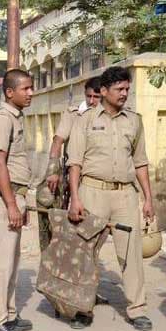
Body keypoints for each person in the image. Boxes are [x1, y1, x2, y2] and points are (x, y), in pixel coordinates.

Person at [67, 66, 155, 331]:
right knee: (86, 252)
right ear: (103, 91)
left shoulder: (134, 121)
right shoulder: (85, 120)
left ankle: (136, 308)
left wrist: (148, 200)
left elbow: (140, 163)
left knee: (131, 252)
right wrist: (74, 198)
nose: (124, 94)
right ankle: (83, 308)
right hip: (92, 192)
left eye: (127, 89)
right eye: (119, 89)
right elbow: (75, 163)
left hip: (125, 195)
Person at [0, 69, 35, 331]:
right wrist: (12, 204)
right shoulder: (3, 119)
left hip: (16, 195)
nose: (30, 93)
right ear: (9, 92)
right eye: (25, 88)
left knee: (13, 262)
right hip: (7, 198)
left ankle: (9, 313)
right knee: (0, 265)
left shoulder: (16, 116)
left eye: (31, 88)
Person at [39, 77, 102, 251]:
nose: (91, 101)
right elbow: (58, 140)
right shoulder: (74, 113)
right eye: (88, 96)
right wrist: (53, 170)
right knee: (54, 211)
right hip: (71, 174)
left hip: (93, 177)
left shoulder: (106, 116)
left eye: (96, 97)